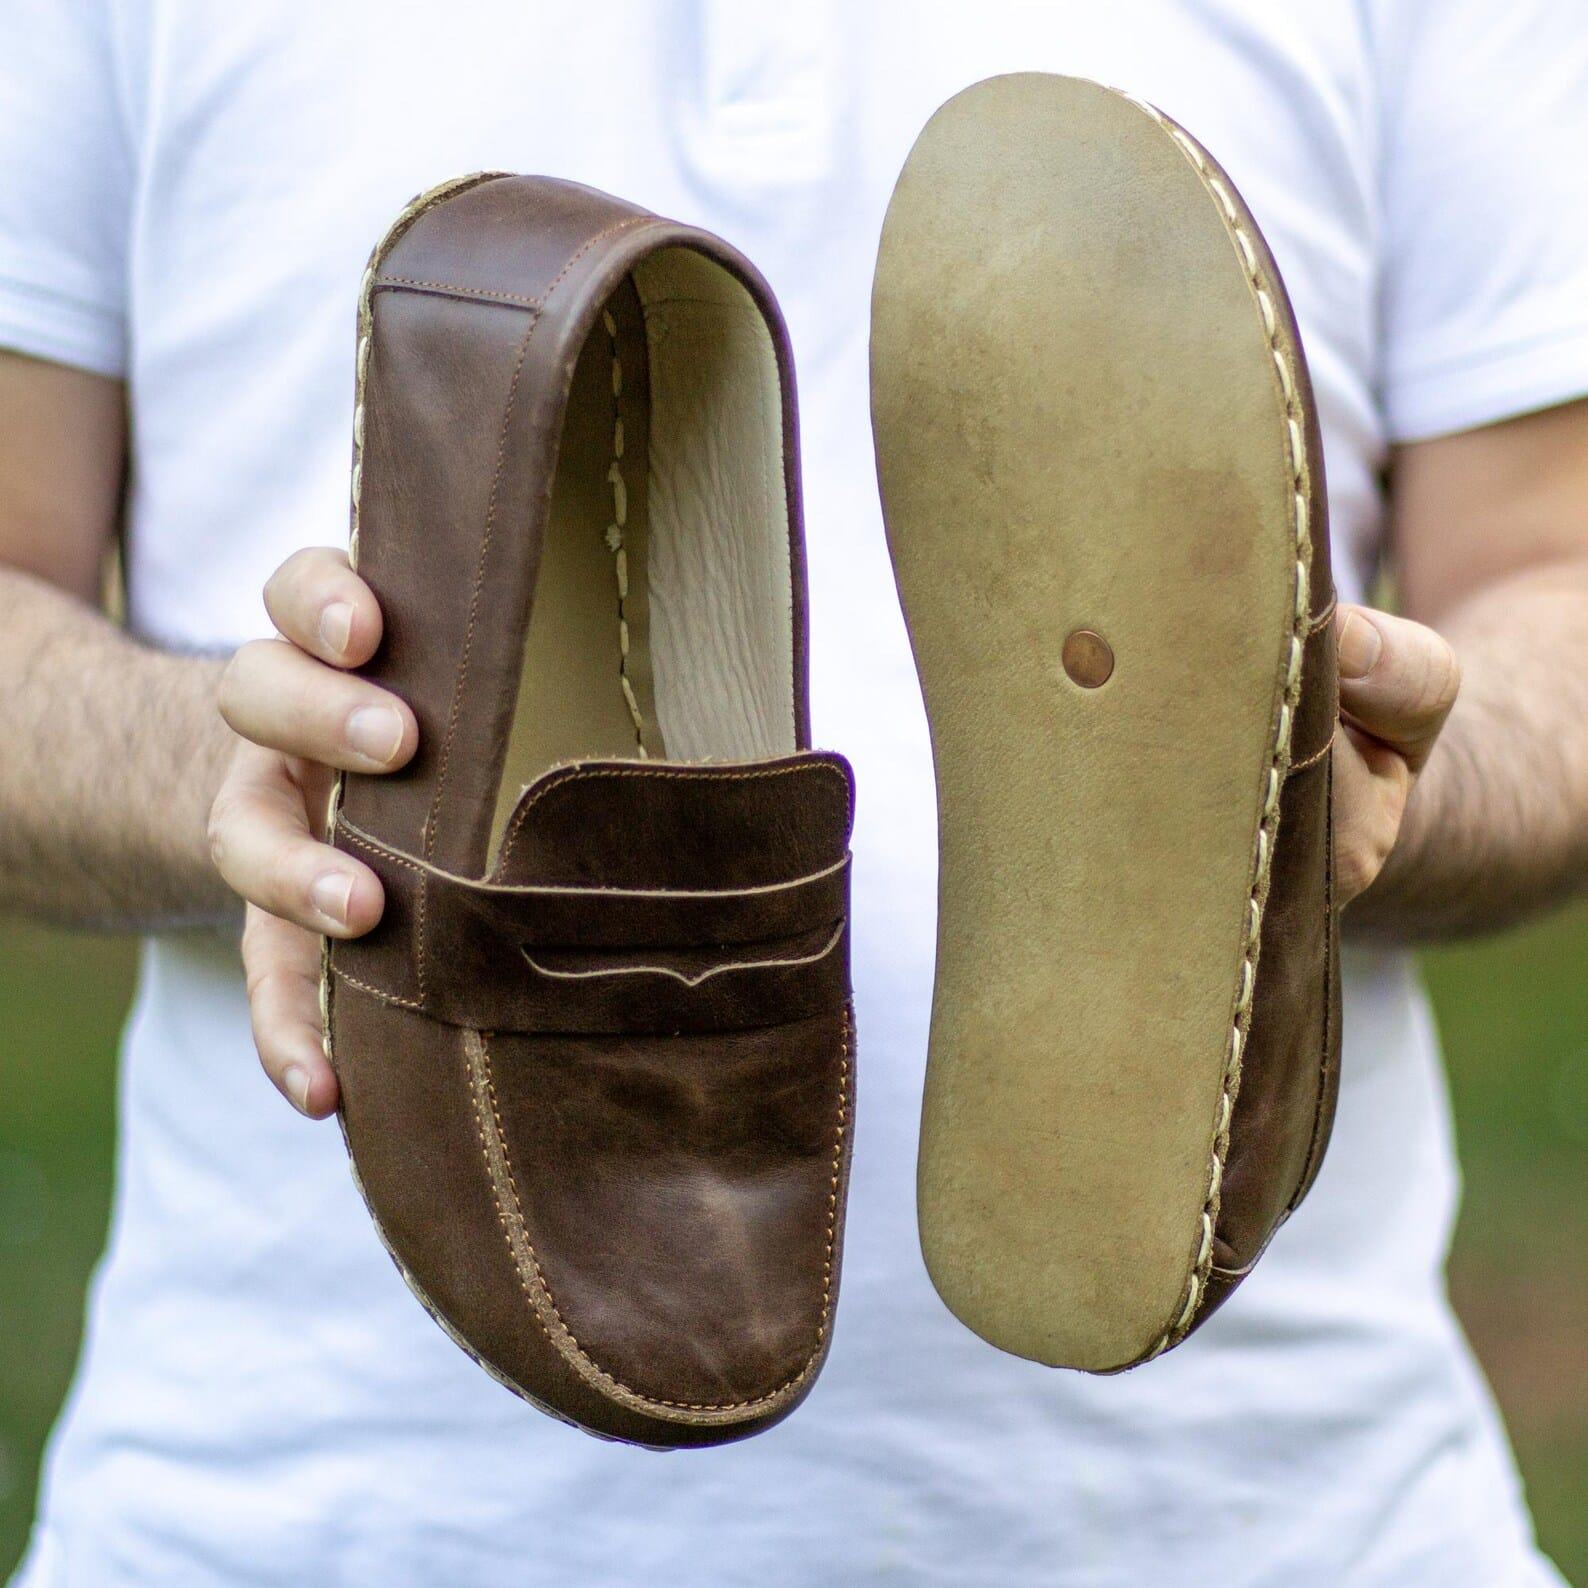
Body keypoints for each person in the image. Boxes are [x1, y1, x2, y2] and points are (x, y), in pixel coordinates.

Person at [1, 4, 1584, 1584]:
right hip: (268, 1525)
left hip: (1305, 1523)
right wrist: (232, 774)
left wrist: (1345, 789)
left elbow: (1554, 584)